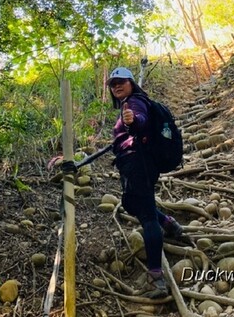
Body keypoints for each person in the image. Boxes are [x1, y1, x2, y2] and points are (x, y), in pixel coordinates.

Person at [63, 66, 187, 299]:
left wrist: (132, 121)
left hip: (138, 164)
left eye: (121, 81)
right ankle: (169, 224)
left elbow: (138, 120)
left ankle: (156, 278)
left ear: (131, 83)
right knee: (133, 205)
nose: (116, 85)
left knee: (147, 216)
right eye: (112, 83)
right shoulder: (131, 102)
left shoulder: (134, 102)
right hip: (138, 163)